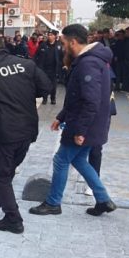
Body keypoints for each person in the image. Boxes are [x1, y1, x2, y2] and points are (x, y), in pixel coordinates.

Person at [30, 24, 117, 219]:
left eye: (63, 43)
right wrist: (60, 117)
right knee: (78, 160)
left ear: (73, 42)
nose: (62, 47)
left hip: (84, 124)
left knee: (61, 160)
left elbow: (90, 101)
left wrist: (80, 131)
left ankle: (53, 203)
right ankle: (103, 200)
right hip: (86, 122)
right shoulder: (89, 60)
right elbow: (77, 97)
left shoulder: (88, 64)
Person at [0, 36, 53, 233]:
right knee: (6, 170)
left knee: (0, 174)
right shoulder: (27, 64)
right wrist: (22, 92)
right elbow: (46, 88)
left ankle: (13, 219)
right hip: (28, 130)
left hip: (5, 132)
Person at [35, 31, 63, 105]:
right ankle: (45, 98)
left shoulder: (59, 45)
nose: (49, 36)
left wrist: (62, 65)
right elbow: (36, 55)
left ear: (55, 36)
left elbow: (62, 56)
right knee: (44, 84)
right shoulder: (43, 45)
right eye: (48, 35)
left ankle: (53, 98)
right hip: (44, 69)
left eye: (51, 35)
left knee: (53, 85)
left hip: (54, 69)